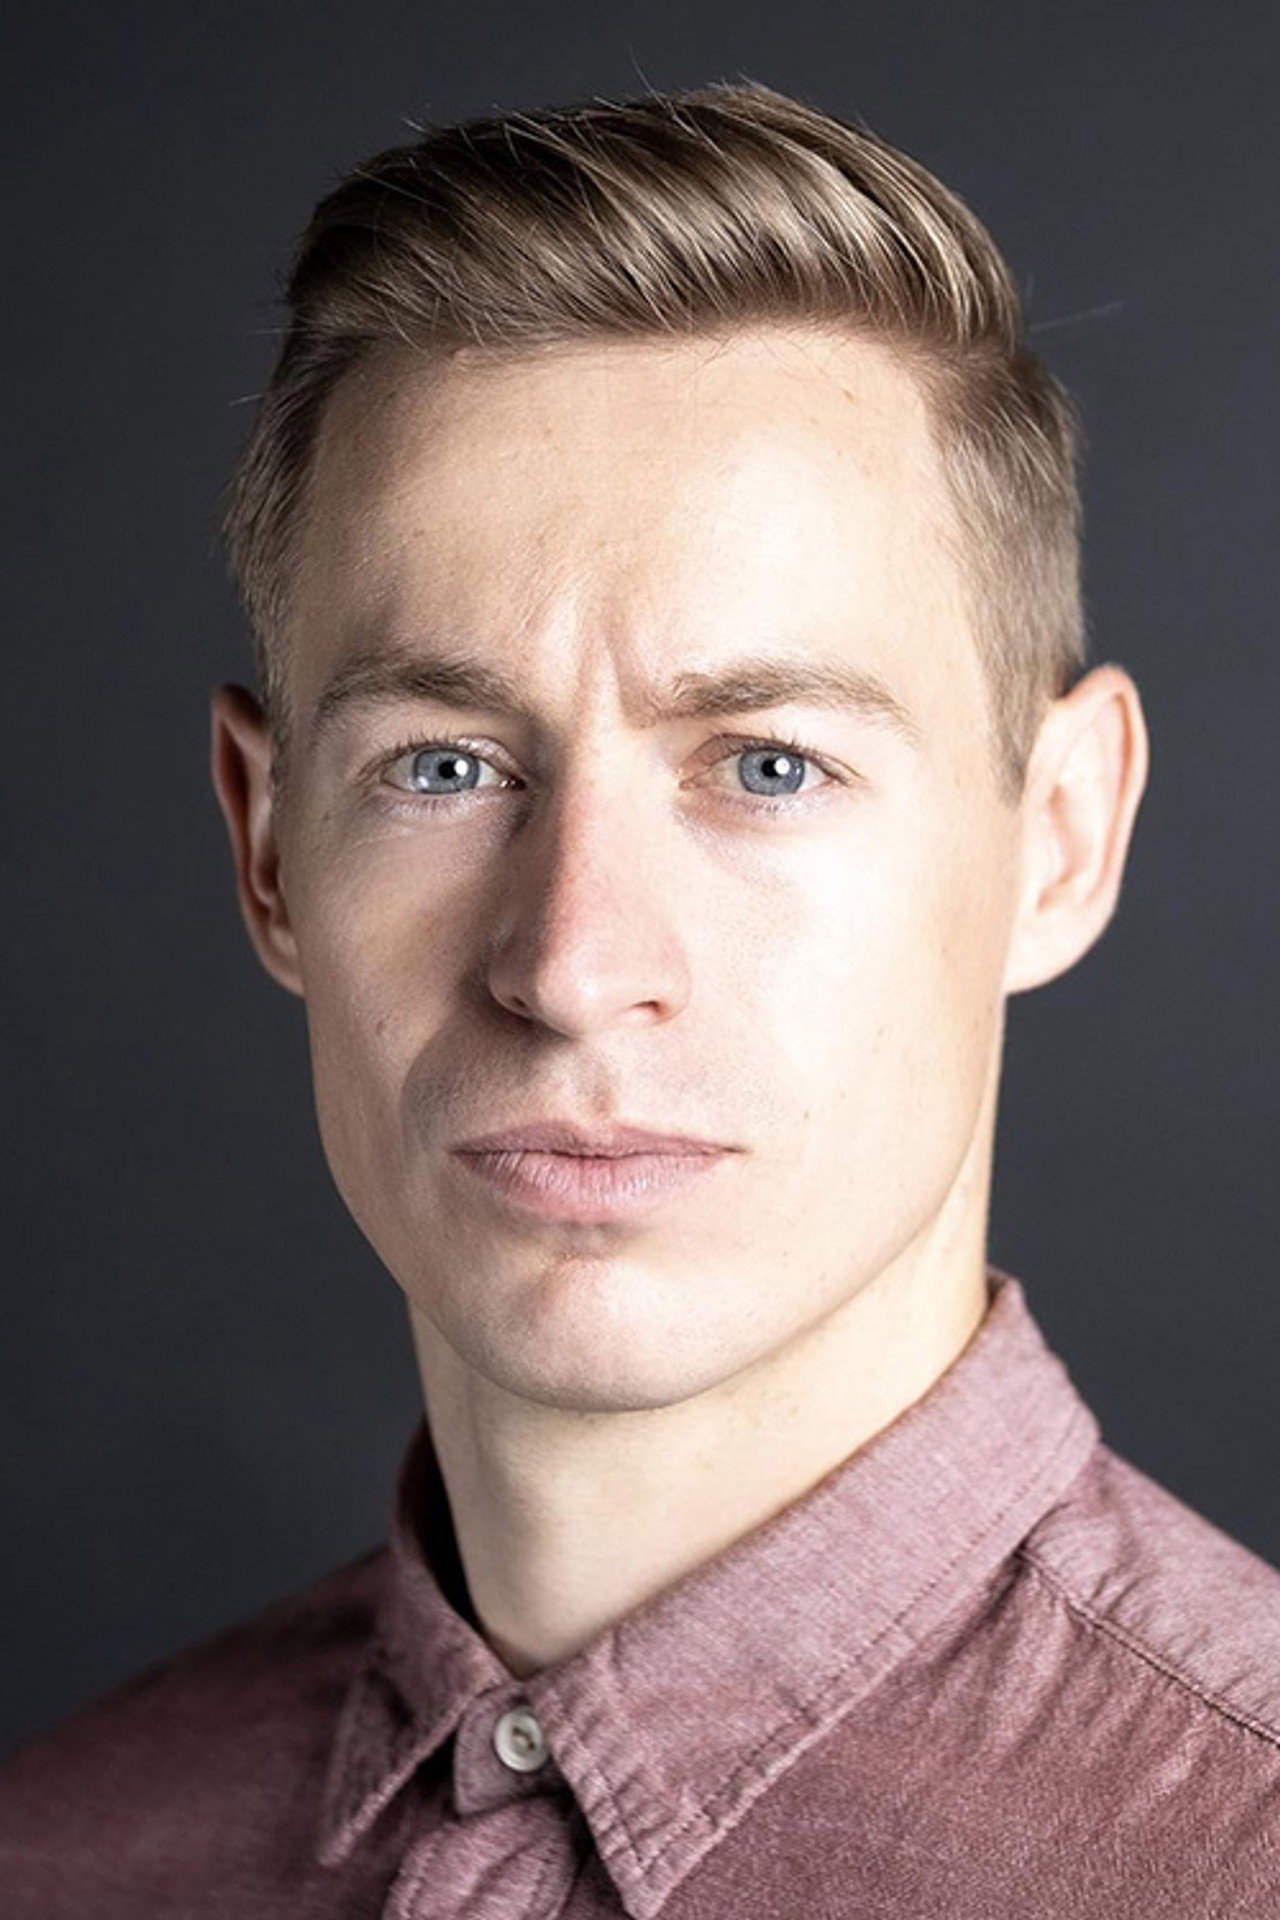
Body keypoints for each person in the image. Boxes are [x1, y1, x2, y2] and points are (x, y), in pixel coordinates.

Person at [3, 75, 1278, 1918]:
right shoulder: (60, 1859)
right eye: (445, 767)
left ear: (1061, 838)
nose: (572, 964)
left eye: (767, 765)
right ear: (268, 849)